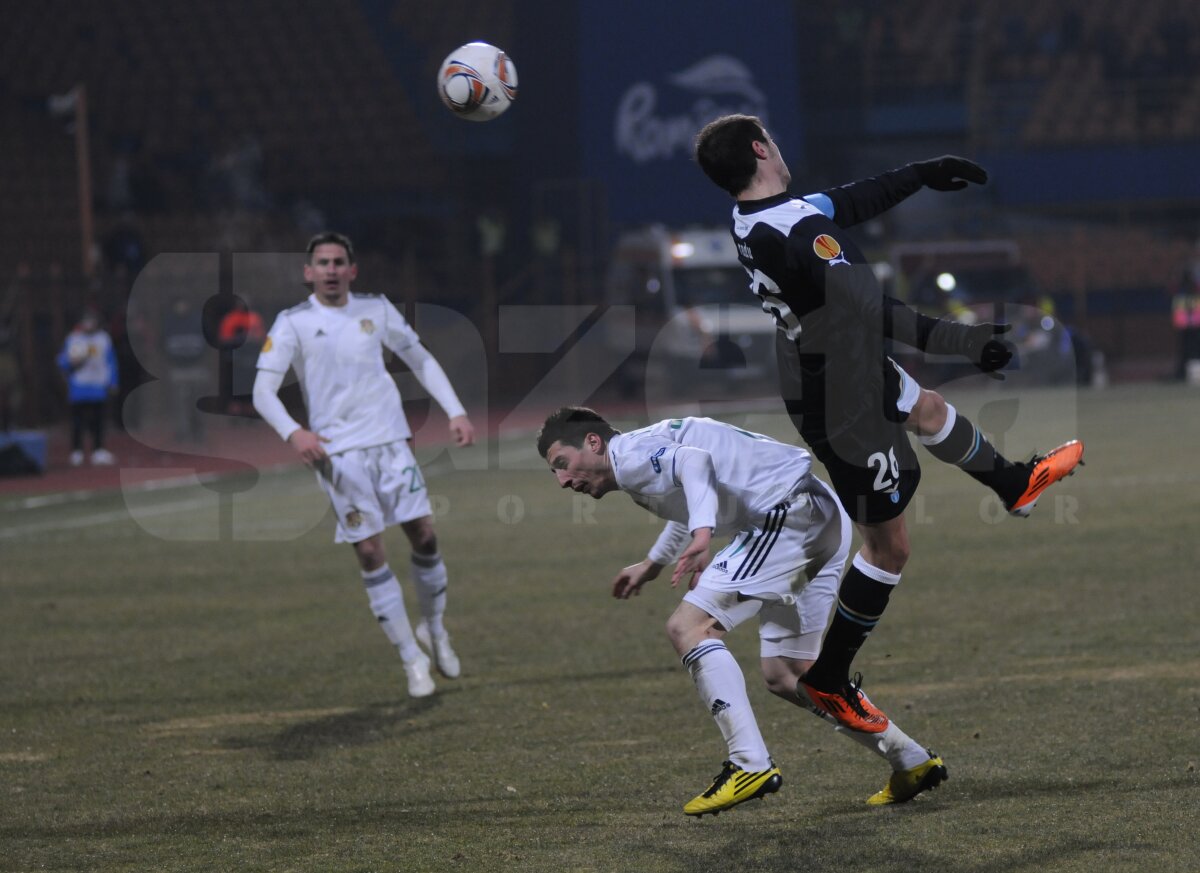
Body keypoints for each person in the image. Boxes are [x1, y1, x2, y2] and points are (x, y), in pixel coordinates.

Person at [694, 115, 1084, 731]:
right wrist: (965, 340)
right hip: (841, 401)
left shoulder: (764, 217)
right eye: (773, 135)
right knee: (888, 546)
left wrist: (922, 174)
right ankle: (828, 678)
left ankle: (1014, 483)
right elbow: (872, 306)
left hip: (832, 361)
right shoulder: (796, 231)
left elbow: (850, 200)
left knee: (926, 408)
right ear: (760, 147)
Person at [537, 406, 948, 817]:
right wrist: (655, 562)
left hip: (786, 518)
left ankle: (749, 764)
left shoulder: (628, 457)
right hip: (818, 514)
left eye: (562, 464)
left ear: (593, 443)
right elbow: (691, 486)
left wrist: (702, 533)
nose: (562, 480)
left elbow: (694, 463)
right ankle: (910, 759)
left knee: (688, 629)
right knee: (790, 674)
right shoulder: (640, 451)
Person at [252, 232, 476, 698]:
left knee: (426, 535)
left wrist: (454, 410)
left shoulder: (375, 309)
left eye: (339, 262)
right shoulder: (292, 322)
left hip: (392, 442)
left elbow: (420, 357)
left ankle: (434, 629)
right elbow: (262, 391)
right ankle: (412, 662)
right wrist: (295, 432)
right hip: (338, 454)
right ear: (307, 272)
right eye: (322, 262)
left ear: (352, 270)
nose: (331, 270)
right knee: (371, 552)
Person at [56, 308, 119, 466]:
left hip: (98, 386)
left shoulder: (103, 339)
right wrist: (71, 362)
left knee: (98, 421)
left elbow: (111, 362)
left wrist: (113, 382)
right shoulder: (74, 339)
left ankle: (98, 450)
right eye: (86, 321)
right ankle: (76, 451)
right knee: (78, 422)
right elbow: (62, 361)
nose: (88, 325)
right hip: (79, 386)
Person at [162, 296, 209, 444]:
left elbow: (205, 342)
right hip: (178, 369)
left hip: (196, 367)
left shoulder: (196, 321)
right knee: (180, 404)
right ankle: (183, 432)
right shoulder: (170, 323)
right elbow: (162, 343)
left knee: (197, 402)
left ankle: (198, 431)